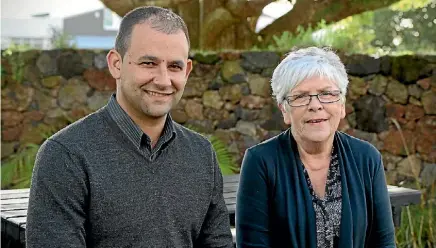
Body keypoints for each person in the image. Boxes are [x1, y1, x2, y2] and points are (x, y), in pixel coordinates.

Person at [26, 6, 233, 248]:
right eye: (148, 63)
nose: (163, 80)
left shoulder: (201, 154)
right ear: (116, 64)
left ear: (186, 71)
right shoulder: (65, 155)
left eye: (174, 67)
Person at [235, 47, 395, 248]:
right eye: (301, 96)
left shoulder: (367, 158)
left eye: (326, 93)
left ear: (342, 105)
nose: (315, 105)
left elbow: (384, 243)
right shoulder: (260, 162)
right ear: (284, 110)